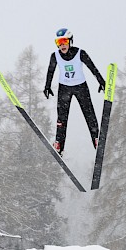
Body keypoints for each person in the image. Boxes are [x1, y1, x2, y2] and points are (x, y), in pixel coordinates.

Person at [43, 28, 105, 156]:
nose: (62, 45)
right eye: (59, 42)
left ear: (70, 41)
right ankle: (59, 144)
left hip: (80, 87)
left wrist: (101, 81)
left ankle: (96, 139)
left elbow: (92, 68)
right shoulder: (55, 56)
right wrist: (47, 86)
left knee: (89, 114)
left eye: (64, 41)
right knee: (61, 118)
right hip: (64, 88)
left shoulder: (80, 53)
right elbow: (50, 71)